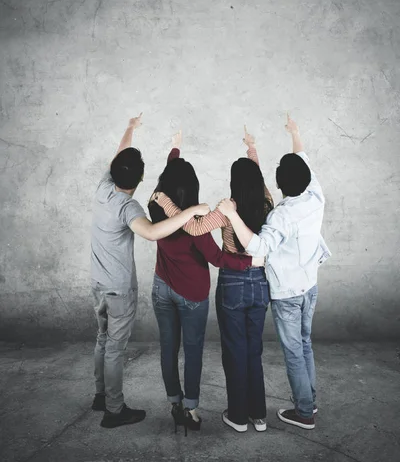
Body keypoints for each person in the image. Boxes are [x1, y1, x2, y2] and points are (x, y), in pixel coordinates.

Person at [90, 114, 210, 429]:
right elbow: (154, 233)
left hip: (97, 284)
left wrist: (130, 128)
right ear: (141, 179)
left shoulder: (104, 187)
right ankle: (114, 411)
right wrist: (191, 213)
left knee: (103, 338)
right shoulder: (130, 208)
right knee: (115, 346)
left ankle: (101, 395)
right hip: (118, 288)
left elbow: (120, 155)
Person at [154, 127, 273, 433]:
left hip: (232, 282)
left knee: (233, 350)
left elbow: (192, 227)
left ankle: (235, 415)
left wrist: (166, 200)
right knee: (254, 350)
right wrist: (252, 148)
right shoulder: (267, 201)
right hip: (259, 280)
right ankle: (258, 416)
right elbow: (255, 176)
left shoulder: (224, 209)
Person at [218, 115, 331, 431]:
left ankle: (304, 411)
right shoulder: (314, 194)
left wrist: (229, 213)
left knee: (294, 351)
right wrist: (295, 133)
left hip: (287, 293)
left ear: (281, 184)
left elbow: (256, 246)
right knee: (305, 344)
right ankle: (307, 399)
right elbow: (302, 162)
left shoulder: (279, 217)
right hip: (310, 285)